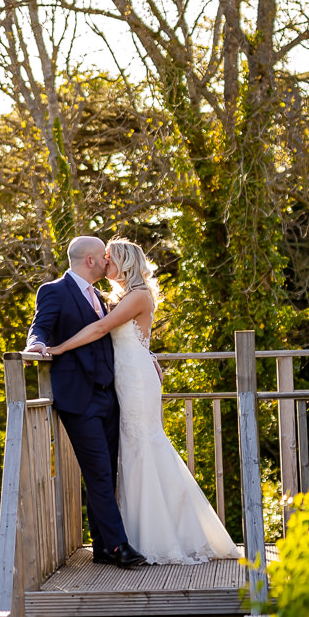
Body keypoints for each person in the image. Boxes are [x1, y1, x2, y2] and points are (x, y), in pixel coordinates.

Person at [42, 238, 237, 566]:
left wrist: (59, 349)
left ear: (124, 263)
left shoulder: (137, 296)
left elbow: (102, 328)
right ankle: (126, 537)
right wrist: (148, 354)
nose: (105, 263)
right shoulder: (117, 297)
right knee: (131, 454)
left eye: (110, 258)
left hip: (134, 381)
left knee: (143, 448)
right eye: (103, 258)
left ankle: (159, 535)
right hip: (125, 377)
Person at [26, 236, 143, 569]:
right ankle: (120, 547)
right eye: (104, 257)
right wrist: (36, 345)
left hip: (110, 397)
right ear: (90, 261)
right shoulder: (54, 291)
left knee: (105, 471)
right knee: (99, 474)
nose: (109, 262)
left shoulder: (101, 298)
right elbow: (41, 327)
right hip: (78, 398)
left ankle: (103, 546)